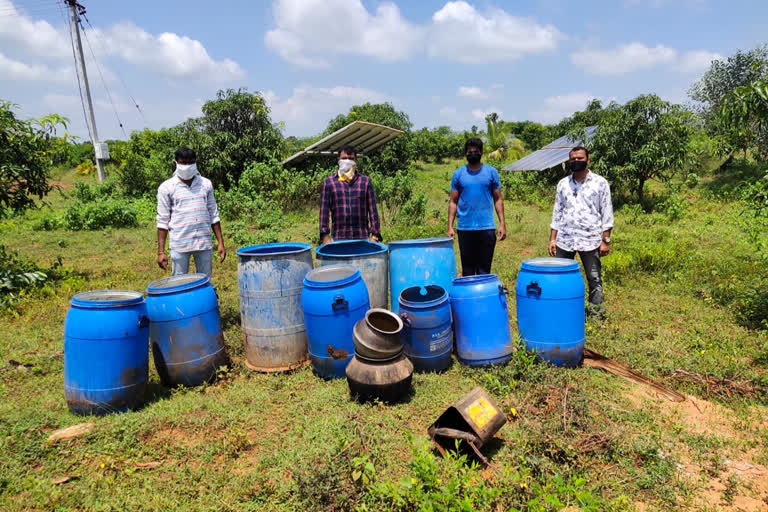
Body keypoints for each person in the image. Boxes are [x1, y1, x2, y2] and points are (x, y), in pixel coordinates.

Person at [548, 146, 613, 317]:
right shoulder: (563, 184)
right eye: (573, 159)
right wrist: (552, 239)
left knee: (594, 278)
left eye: (580, 158)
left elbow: (607, 212)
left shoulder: (600, 183)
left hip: (590, 239)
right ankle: (563, 312)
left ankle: (596, 313)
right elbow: (557, 212)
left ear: (588, 160)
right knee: (560, 278)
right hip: (565, 239)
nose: (576, 161)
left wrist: (605, 240)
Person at [156, 147, 226, 277]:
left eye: (191, 162)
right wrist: (161, 252)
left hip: (204, 242)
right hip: (180, 244)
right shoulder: (166, 188)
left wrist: (220, 243)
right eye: (183, 162)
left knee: (205, 281)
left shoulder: (206, 184)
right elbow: (162, 221)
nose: (187, 166)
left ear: (196, 162)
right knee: (179, 283)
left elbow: (213, 214)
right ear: (175, 163)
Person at [447, 137, 507, 276]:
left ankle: (482, 296)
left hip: (486, 228)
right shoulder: (458, 174)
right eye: (469, 151)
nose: (472, 153)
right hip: (464, 229)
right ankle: (470, 297)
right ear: (465, 154)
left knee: (484, 271)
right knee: (467, 271)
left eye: (475, 151)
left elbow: (498, 199)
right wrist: (450, 226)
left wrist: (502, 224)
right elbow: (453, 201)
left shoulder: (492, 172)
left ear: (481, 152)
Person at [319, 144, 381, 244]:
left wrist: (374, 236)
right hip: (338, 240)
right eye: (344, 158)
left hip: (362, 239)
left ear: (355, 161)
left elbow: (373, 211)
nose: (347, 161)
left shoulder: (365, 182)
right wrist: (325, 238)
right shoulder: (329, 183)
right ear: (338, 160)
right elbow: (324, 213)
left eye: (351, 158)